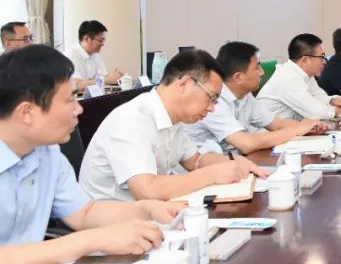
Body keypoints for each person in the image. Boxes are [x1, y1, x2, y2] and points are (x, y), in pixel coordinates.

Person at [0, 46, 182, 264]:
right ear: (26, 112)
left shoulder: (46, 152)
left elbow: (83, 213)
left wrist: (147, 210)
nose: (80, 109)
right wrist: (88, 241)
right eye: (70, 99)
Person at [79, 50, 265, 202]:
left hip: (151, 215)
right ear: (185, 84)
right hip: (113, 225)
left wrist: (233, 163)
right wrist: (212, 174)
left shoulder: (173, 118)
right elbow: (147, 190)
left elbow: (194, 160)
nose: (212, 108)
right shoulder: (132, 119)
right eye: (211, 97)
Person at [186, 41, 322, 155]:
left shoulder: (245, 95)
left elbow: (276, 123)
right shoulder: (213, 101)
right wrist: (297, 130)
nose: (262, 73)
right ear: (238, 77)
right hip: (203, 168)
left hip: (232, 161)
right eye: (257, 67)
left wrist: (310, 127)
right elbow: (246, 144)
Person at [257, 34, 341, 121]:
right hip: (268, 132)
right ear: (305, 60)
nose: (324, 62)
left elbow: (318, 96)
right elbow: (315, 112)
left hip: (290, 128)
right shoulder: (288, 77)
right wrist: (340, 110)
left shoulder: (305, 74)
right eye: (321, 57)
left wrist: (333, 100)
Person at [64, 20, 123, 92]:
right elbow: (77, 85)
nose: (103, 44)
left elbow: (103, 77)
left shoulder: (95, 55)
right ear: (87, 39)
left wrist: (113, 76)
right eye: (100, 40)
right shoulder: (70, 55)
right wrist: (107, 79)